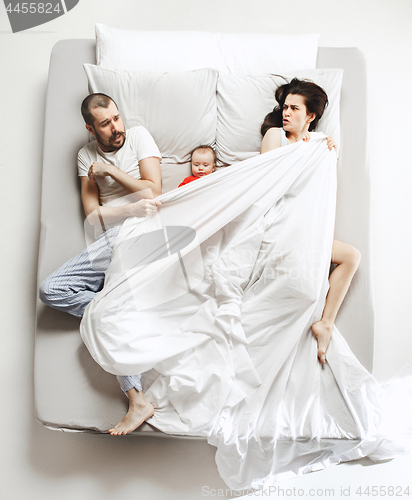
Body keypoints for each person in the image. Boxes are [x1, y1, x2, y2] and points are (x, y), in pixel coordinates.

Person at [39, 93, 162, 435]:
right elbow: (93, 214)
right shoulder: (84, 154)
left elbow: (154, 193)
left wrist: (111, 171)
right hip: (110, 241)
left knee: (113, 308)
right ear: (90, 128)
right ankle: (115, 309)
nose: (116, 128)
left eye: (117, 118)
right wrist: (129, 208)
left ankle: (136, 399)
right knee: (50, 290)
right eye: (105, 124)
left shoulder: (138, 137)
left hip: (140, 236)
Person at [260, 78, 361, 364]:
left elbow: (321, 187)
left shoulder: (319, 144)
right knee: (304, 286)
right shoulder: (275, 136)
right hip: (281, 224)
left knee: (351, 256)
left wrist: (328, 151)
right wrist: (304, 151)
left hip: (307, 227)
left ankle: (325, 323)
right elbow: (268, 182)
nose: (286, 113)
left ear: (311, 116)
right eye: (285, 107)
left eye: (294, 108)